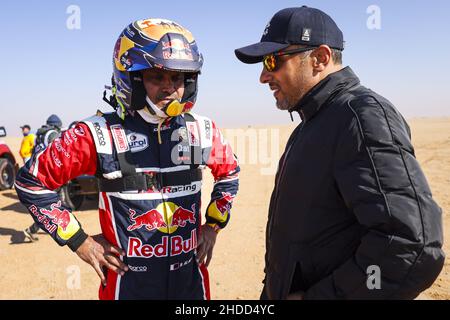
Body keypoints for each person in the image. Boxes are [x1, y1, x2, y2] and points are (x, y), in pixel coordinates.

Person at [15, 18, 239, 300]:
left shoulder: (201, 131)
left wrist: (213, 225)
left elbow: (230, 172)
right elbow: (31, 182)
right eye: (157, 76)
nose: (170, 87)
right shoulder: (95, 134)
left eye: (179, 77)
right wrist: (79, 240)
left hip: (190, 287)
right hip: (128, 289)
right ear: (130, 77)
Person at [235, 6, 444, 299]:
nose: (263, 76)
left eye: (273, 60)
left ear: (319, 58)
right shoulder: (311, 123)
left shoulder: (360, 118)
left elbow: (412, 246)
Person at [22, 115, 64, 242]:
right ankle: (32, 229)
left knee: (49, 205)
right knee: (55, 204)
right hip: (50, 175)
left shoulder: (38, 135)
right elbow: (59, 152)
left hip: (39, 173)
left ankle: (35, 229)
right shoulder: (52, 134)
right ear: (57, 125)